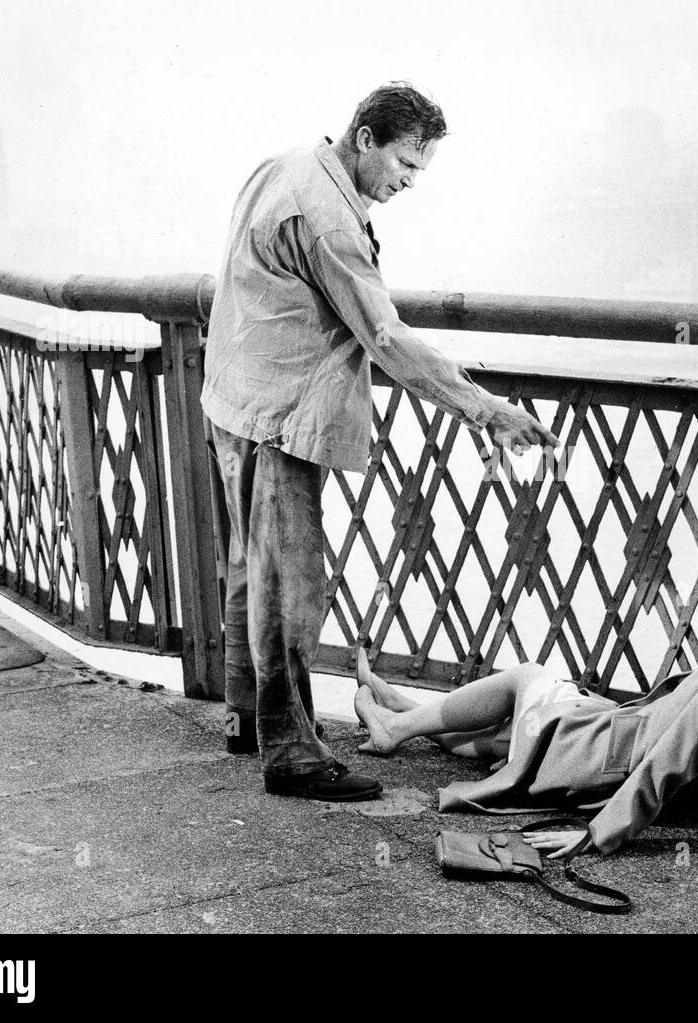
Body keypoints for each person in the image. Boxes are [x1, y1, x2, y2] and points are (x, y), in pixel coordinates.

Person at [202, 82, 558, 802]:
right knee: (291, 591)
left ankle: (248, 715)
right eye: (404, 163)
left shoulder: (287, 165)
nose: (408, 182)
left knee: (252, 567)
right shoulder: (331, 219)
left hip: (235, 396)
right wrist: (486, 409)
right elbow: (386, 336)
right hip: (279, 419)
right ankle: (295, 754)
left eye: (419, 171)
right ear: (365, 137)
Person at [353, 542, 698, 856]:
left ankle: (397, 726)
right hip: (606, 759)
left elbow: (674, 754)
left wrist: (602, 833)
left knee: (528, 678)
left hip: (598, 761)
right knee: (513, 738)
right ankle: (403, 710)